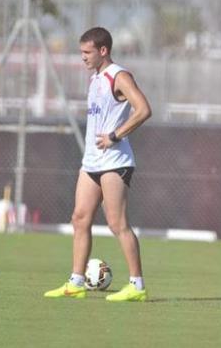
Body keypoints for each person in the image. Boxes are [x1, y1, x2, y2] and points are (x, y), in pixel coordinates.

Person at [44, 27, 152, 302]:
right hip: (91, 161)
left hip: (115, 161)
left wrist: (116, 135)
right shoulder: (94, 80)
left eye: (87, 52)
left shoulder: (119, 75)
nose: (83, 57)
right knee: (79, 218)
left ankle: (137, 286)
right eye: (81, 52)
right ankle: (76, 282)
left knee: (117, 223)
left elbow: (143, 109)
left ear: (103, 51)